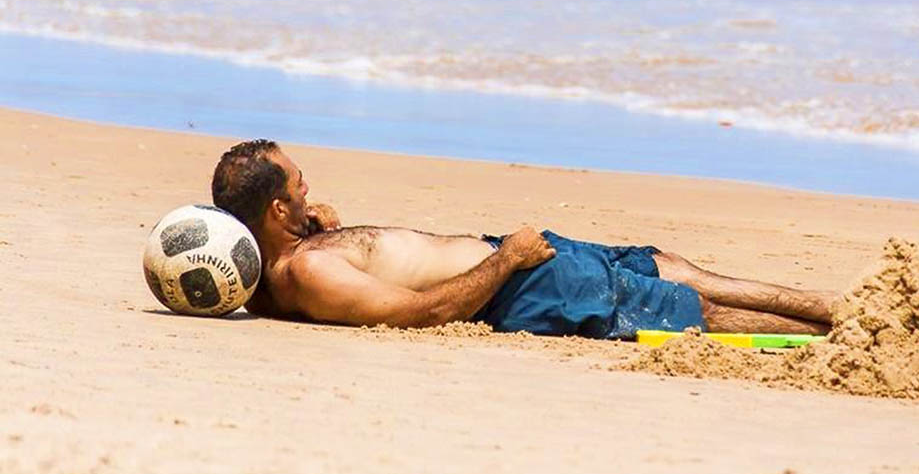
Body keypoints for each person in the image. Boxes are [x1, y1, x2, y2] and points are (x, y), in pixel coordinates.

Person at [211, 139, 835, 338]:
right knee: (690, 309)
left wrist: (318, 228)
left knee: (663, 264)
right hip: (516, 286)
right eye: (298, 182)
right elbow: (423, 311)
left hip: (509, 256)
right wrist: (507, 260)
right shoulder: (309, 276)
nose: (308, 182)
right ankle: (830, 337)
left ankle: (833, 310)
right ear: (274, 207)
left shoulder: (280, 261)